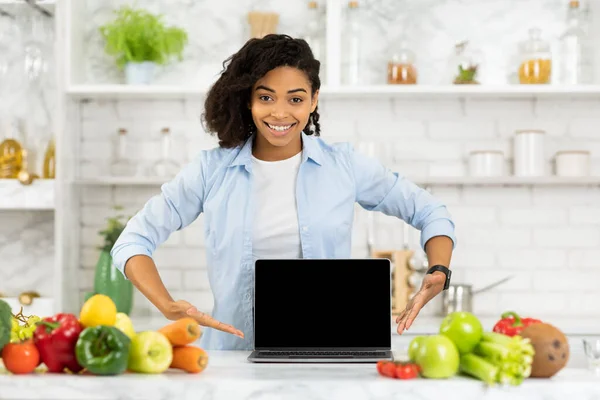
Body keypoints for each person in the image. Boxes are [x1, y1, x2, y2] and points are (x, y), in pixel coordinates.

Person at [111, 34, 456, 351]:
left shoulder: (345, 166)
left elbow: (430, 212)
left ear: (313, 100)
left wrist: (439, 269)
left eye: (295, 99)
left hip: (328, 356)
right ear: (248, 99)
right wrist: (167, 305)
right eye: (265, 97)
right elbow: (133, 241)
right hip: (233, 361)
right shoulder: (210, 171)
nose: (280, 112)